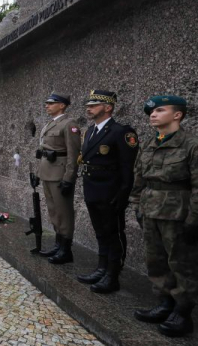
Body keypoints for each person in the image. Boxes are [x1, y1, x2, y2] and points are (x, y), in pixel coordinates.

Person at [131, 95, 198, 337]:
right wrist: (137, 206)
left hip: (177, 212)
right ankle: (164, 303)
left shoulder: (191, 144)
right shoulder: (149, 143)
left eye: (160, 110)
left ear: (177, 115)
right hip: (150, 210)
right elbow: (139, 178)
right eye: (151, 111)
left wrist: (194, 218)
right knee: (155, 260)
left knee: (181, 263)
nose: (153, 114)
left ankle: (183, 311)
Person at [76, 91, 139, 294]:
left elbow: (127, 167)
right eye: (88, 104)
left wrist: (123, 194)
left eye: (94, 104)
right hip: (92, 189)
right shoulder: (90, 131)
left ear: (108, 107)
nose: (89, 107)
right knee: (100, 232)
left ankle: (113, 274)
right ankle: (101, 267)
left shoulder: (121, 132)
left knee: (114, 234)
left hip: (110, 191)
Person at [36, 93, 82, 264]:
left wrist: (69, 178)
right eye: (46, 103)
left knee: (64, 212)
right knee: (54, 210)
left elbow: (73, 154)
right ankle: (58, 244)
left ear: (62, 105)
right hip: (47, 172)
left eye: (51, 103)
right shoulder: (50, 123)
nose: (47, 106)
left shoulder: (69, 124)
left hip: (60, 174)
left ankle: (66, 249)